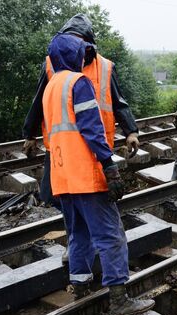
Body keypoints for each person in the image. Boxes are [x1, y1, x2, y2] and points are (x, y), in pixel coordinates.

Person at [43, 33, 154, 315]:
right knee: (110, 235)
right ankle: (119, 300)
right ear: (72, 55)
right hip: (85, 174)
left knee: (77, 233)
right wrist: (109, 165)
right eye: (80, 52)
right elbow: (91, 130)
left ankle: (80, 286)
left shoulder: (51, 86)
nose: (84, 57)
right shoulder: (78, 83)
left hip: (62, 177)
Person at [22, 14, 139, 207]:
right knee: (55, 195)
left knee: (94, 196)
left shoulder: (105, 67)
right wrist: (30, 134)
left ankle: (82, 227)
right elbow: (39, 102)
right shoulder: (50, 65)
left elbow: (118, 101)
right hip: (62, 145)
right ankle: (75, 226)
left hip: (95, 144)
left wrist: (131, 131)